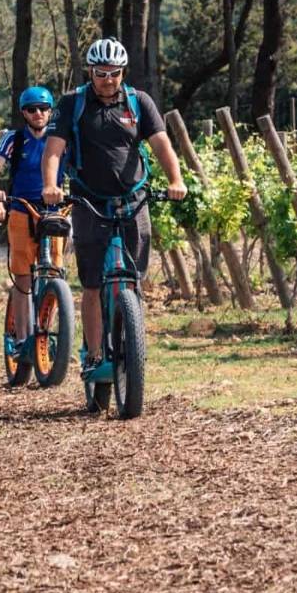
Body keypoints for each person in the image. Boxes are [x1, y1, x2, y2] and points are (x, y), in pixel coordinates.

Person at [39, 39, 187, 382]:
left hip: (134, 198)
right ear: (90, 71)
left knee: (134, 280)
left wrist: (176, 179)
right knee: (91, 282)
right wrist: (51, 185)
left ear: (123, 73)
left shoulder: (139, 102)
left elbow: (162, 145)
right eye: (101, 73)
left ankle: (131, 341)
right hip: (89, 200)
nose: (108, 80)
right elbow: (54, 150)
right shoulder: (73, 103)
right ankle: (93, 354)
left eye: (115, 73)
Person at [0, 86, 56, 361]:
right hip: (21, 208)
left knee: (54, 274)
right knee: (24, 276)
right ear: (24, 113)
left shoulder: (59, 138)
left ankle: (48, 338)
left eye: (43, 108)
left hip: (53, 211)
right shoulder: (13, 139)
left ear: (50, 111)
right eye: (31, 109)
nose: (38, 114)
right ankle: (24, 338)